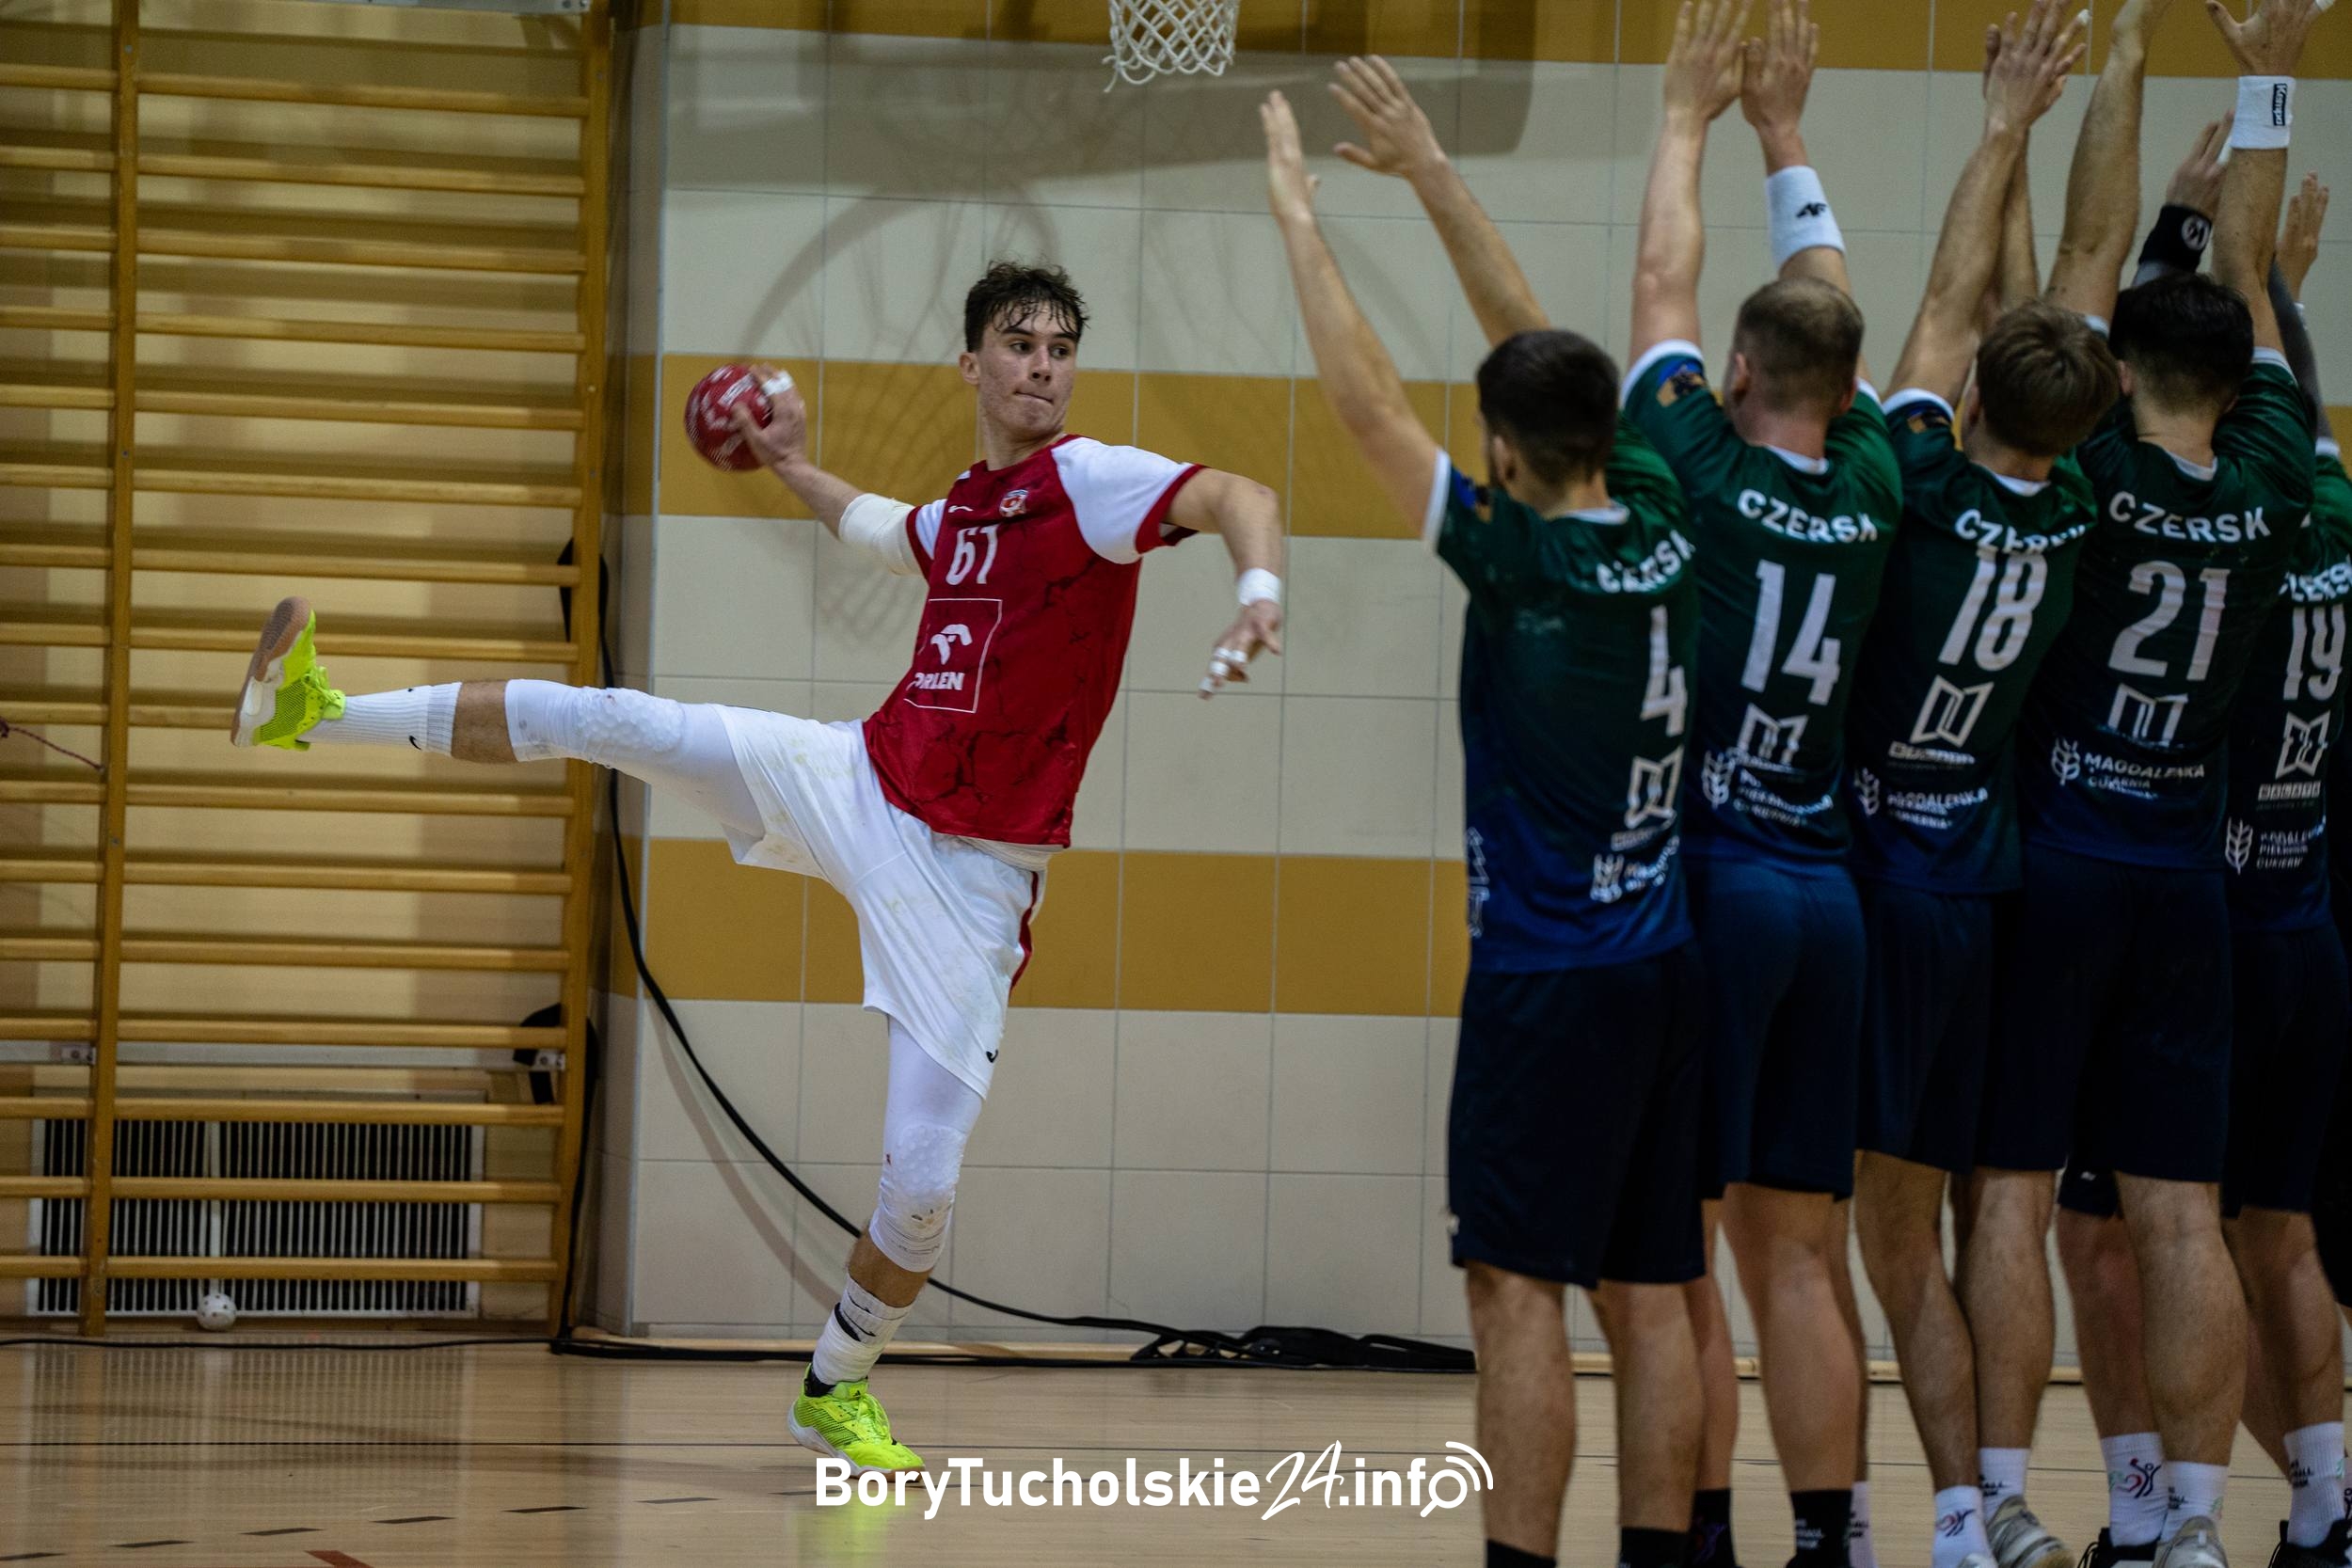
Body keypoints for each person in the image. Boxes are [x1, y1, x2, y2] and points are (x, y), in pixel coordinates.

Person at [225, 261, 1285, 1475]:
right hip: (861, 781)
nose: (1043, 364)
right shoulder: (966, 510)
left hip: (975, 881)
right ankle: (311, 709)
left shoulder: (1091, 482)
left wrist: (1255, 583)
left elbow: (1238, 490)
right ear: (972, 364)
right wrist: (786, 463)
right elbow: (877, 527)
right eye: (1019, 342)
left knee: (922, 1186)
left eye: (1060, 346)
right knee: (617, 719)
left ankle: (835, 1385)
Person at [1264, 68, 1708, 1568]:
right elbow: (1534, 347)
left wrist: (1297, 218)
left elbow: (1364, 406)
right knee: (1651, 1296)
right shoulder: (1658, 511)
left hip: (1551, 982)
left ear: (1508, 460)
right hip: (1664, 968)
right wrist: (1433, 168)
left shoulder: (1524, 565)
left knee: (1515, 1292)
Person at [1981, 0, 2328, 1563]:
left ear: (2114, 373)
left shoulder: (2094, 471)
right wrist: (2271, 81)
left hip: (2061, 866)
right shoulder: (2270, 483)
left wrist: (2111, 67)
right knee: (2185, 1213)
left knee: (2016, 1195)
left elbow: (2085, 255)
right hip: (2192, 876)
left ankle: (1999, 1504)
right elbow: (2246, 286)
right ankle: (2193, 1530)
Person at [1622, 4, 1900, 1563]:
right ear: (1846, 391)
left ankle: (1704, 1531)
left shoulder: (1698, 464)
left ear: (1736, 371)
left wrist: (1685, 116)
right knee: (1807, 1253)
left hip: (1717, 889)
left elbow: (1664, 281)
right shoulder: (1866, 476)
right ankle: (1835, 1537)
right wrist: (1786, 134)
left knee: (1686, 1249)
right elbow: (1827, 317)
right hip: (1830, 897)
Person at [1840, 11, 2104, 1568]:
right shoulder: (2078, 503)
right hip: (1999, 890)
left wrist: (2001, 122)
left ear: (1975, 405)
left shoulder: (1919, 481)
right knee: (1998, 1212)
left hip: (1892, 885)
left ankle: (1952, 1513)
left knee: (1886, 1229)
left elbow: (1956, 301)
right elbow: (2025, 319)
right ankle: (2004, 1496)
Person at [2062, 170, 2350, 1568]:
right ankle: (2324, 1508)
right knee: (2274, 1238)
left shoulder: (2125, 492)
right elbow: (2261, 352)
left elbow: (2071, 316)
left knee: (2115, 1235)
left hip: (2188, 903)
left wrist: (2192, 224)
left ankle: (2146, 1514)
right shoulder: (2312, 504)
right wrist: (2263, 272)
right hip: (2302, 910)